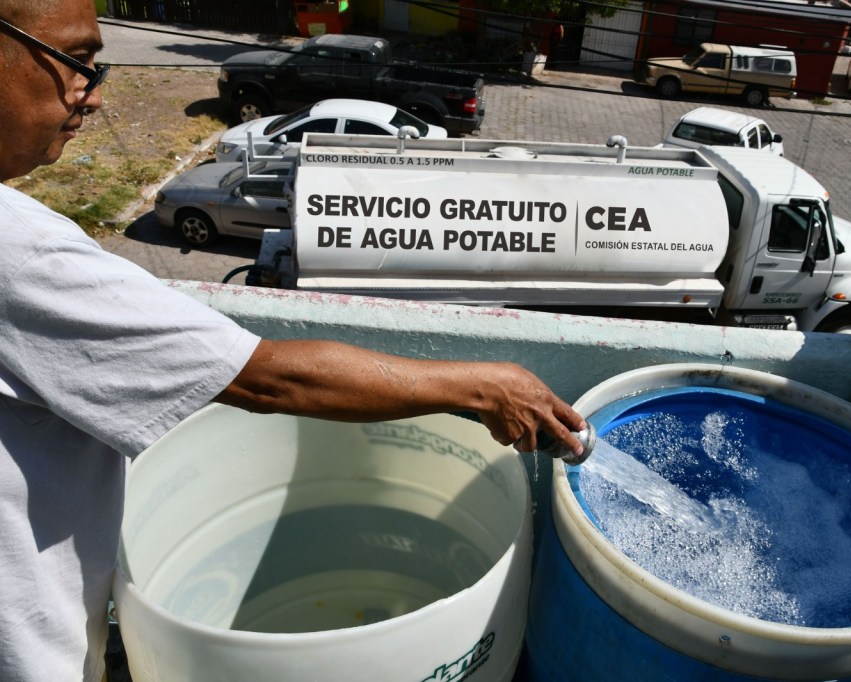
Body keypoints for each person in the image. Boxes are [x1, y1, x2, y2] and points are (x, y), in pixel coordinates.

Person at [0, 2, 586, 680]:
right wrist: (482, 386)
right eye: (77, 63)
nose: (96, 95)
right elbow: (269, 379)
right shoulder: (21, 254)